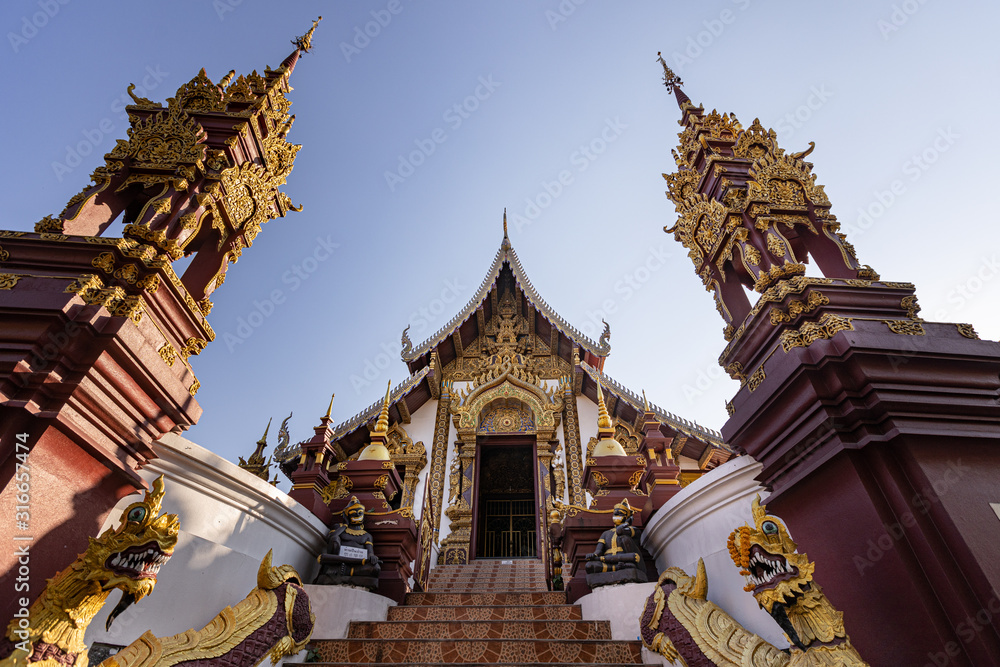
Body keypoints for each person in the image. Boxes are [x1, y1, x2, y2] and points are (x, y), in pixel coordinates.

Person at [313, 496, 381, 589]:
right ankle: (340, 570)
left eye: (360, 513)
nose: (357, 515)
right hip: (338, 560)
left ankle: (346, 571)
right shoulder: (339, 528)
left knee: (376, 568)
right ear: (347, 516)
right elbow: (331, 539)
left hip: (357, 564)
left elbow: (370, 552)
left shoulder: (367, 536)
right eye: (354, 514)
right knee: (335, 539)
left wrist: (373, 558)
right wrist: (345, 524)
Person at [585, 499, 648, 586]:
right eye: (615, 514)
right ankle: (615, 568)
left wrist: (626, 523)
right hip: (608, 561)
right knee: (589, 566)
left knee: (624, 538)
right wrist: (594, 555)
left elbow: (620, 531)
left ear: (627, 517)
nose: (617, 515)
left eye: (620, 514)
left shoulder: (633, 530)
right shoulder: (606, 533)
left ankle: (624, 567)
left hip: (626, 559)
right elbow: (599, 551)